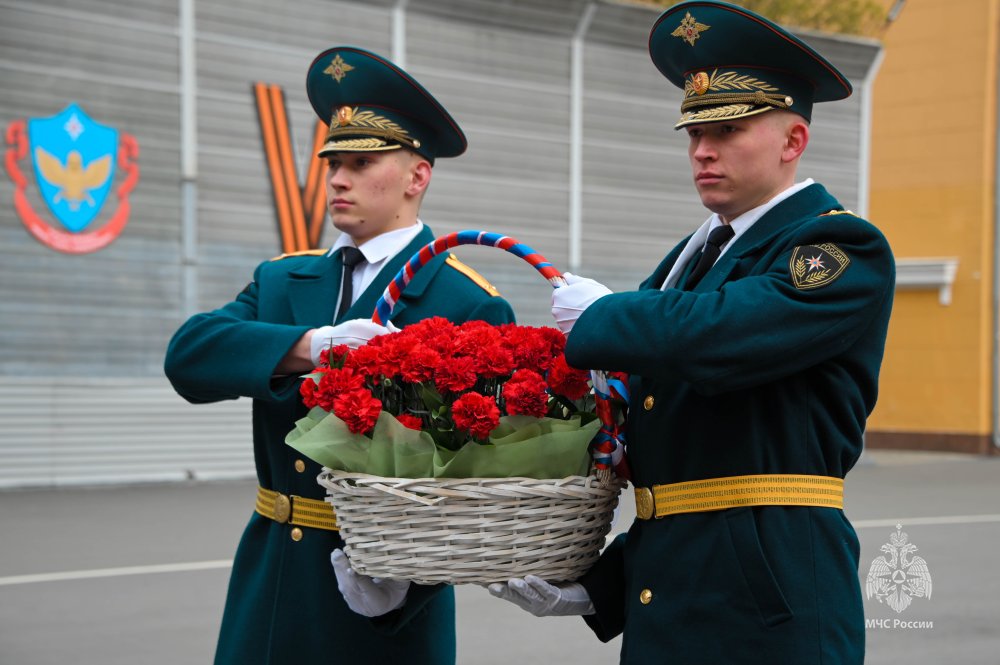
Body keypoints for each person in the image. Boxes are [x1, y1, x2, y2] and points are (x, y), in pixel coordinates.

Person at [489, 2, 895, 663]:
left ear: (793, 141)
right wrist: (597, 585)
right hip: (672, 604)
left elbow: (723, 336)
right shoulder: (691, 257)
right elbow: (685, 475)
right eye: (693, 131)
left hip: (771, 610)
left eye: (729, 128)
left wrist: (605, 315)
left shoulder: (840, 245)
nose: (702, 149)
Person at [165, 46, 514, 665]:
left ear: (417, 176)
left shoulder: (467, 304)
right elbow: (189, 357)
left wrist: (404, 584)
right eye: (333, 163)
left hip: (386, 594)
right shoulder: (283, 281)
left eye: (361, 162)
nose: (338, 179)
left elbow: (476, 479)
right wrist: (309, 347)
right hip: (273, 579)